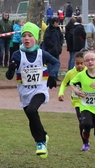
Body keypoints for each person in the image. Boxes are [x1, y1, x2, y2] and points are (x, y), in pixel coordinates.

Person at [5, 22, 60, 158]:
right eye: (24, 36)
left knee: (31, 111)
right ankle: (43, 135)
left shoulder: (42, 54)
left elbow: (56, 62)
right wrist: (11, 69)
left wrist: (53, 75)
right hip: (24, 93)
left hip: (40, 90)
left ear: (36, 38)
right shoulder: (17, 55)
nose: (26, 38)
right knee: (31, 117)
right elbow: (9, 76)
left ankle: (40, 143)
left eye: (30, 35)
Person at [58, 51, 86, 148]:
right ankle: (85, 143)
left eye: (82, 63)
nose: (80, 66)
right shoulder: (70, 73)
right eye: (77, 63)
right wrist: (61, 93)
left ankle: (88, 129)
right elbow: (64, 84)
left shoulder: (89, 72)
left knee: (88, 123)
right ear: (74, 63)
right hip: (77, 101)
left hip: (88, 102)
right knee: (81, 121)